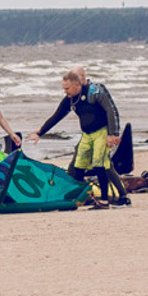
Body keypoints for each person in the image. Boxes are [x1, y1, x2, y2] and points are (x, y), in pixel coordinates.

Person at [37, 67, 127, 204]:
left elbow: (111, 110)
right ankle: (77, 196)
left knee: (103, 165)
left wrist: (113, 134)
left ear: (79, 82)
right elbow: (57, 115)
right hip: (87, 135)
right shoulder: (71, 98)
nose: (65, 91)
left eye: (83, 76)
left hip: (101, 133)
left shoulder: (95, 91)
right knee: (77, 165)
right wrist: (40, 132)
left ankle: (119, 196)